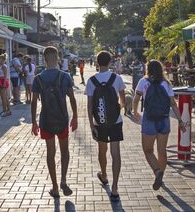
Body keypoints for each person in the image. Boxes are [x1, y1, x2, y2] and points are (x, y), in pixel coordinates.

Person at [31, 46, 78, 198]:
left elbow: (33, 102)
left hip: (46, 121)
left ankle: (55, 187)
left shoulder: (38, 78)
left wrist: (34, 122)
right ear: (57, 58)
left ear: (44, 59)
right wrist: (75, 117)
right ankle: (64, 180)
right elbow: (72, 97)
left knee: (50, 153)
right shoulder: (65, 76)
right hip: (62, 119)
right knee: (64, 151)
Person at [132, 60, 186, 190]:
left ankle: (157, 172)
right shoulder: (166, 83)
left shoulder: (143, 82)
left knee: (148, 150)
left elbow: (136, 99)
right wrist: (180, 121)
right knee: (162, 151)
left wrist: (135, 111)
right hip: (164, 119)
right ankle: (161, 176)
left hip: (149, 119)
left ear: (147, 69)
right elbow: (173, 104)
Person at [85, 51, 126, 202]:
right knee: (116, 153)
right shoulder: (117, 78)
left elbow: (89, 107)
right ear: (109, 62)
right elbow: (123, 101)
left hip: (99, 122)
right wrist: (116, 110)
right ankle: (115, 187)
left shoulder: (91, 81)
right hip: (115, 121)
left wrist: (91, 125)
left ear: (97, 62)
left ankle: (104, 175)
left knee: (102, 150)